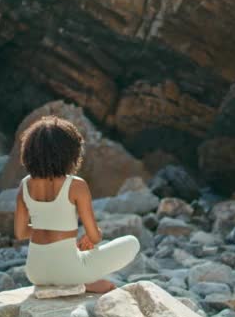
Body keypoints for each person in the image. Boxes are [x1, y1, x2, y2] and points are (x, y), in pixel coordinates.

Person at [13, 115, 140, 293]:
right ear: (70, 153)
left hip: (35, 273)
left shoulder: (25, 185)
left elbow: (20, 233)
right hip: (68, 271)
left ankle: (75, 282)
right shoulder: (76, 185)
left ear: (29, 152)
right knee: (131, 242)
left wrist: (48, 229)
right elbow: (94, 238)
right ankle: (80, 283)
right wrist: (92, 236)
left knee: (75, 257)